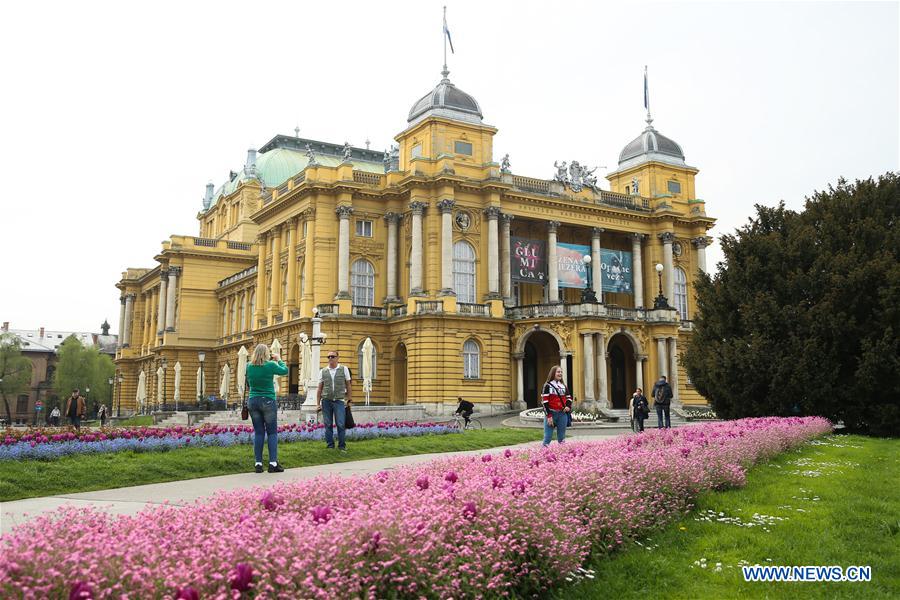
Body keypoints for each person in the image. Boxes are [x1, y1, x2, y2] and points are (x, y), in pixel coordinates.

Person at [245, 343, 288, 473]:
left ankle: (258, 464)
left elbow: (248, 383)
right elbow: (285, 371)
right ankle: (273, 463)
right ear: (266, 354)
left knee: (258, 432)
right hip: (268, 401)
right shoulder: (270, 365)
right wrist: (279, 359)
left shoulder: (248, 366)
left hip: (253, 401)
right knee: (272, 432)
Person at [316, 350, 352, 452]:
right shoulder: (323, 371)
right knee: (328, 424)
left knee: (341, 424)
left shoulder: (344, 369)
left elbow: (348, 385)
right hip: (326, 400)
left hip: (339, 400)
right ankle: (330, 445)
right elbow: (319, 388)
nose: (330, 358)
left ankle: (342, 446)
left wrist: (349, 399)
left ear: (337, 358)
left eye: (332, 356)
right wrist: (317, 404)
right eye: (328, 357)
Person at [541, 366, 572, 446]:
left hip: (562, 414)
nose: (560, 373)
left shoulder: (563, 386)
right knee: (547, 438)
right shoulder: (547, 385)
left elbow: (569, 398)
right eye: (558, 372)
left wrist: (568, 406)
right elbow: (544, 402)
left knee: (562, 439)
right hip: (551, 414)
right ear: (553, 373)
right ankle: (542, 457)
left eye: (561, 372)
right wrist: (549, 416)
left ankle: (562, 456)